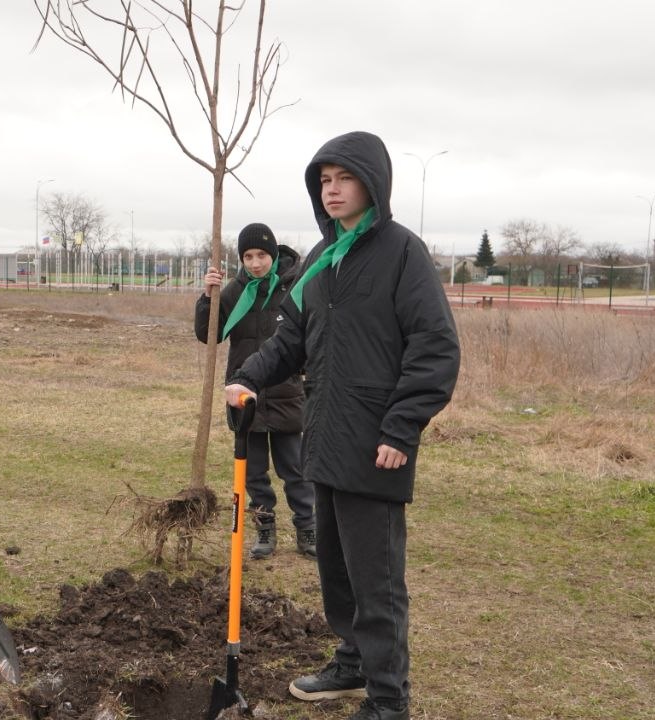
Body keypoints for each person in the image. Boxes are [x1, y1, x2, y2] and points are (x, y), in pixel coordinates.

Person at [223, 131, 460, 720]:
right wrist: (249, 377)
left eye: (344, 178)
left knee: (376, 580)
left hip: (377, 444)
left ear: (372, 183)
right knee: (335, 568)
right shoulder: (321, 259)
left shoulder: (403, 254)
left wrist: (401, 429)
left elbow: (435, 347)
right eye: (324, 181)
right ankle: (353, 662)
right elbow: (291, 339)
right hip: (324, 435)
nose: (332, 190)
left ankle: (389, 699)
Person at [194, 223, 315, 559]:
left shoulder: (294, 288)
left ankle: (308, 529)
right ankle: (264, 529)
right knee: (253, 472)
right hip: (245, 396)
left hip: (286, 393)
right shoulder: (234, 292)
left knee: (295, 470)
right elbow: (208, 334)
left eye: (262, 255)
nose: (256, 263)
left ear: (273, 254)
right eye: (248, 256)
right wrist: (208, 297)